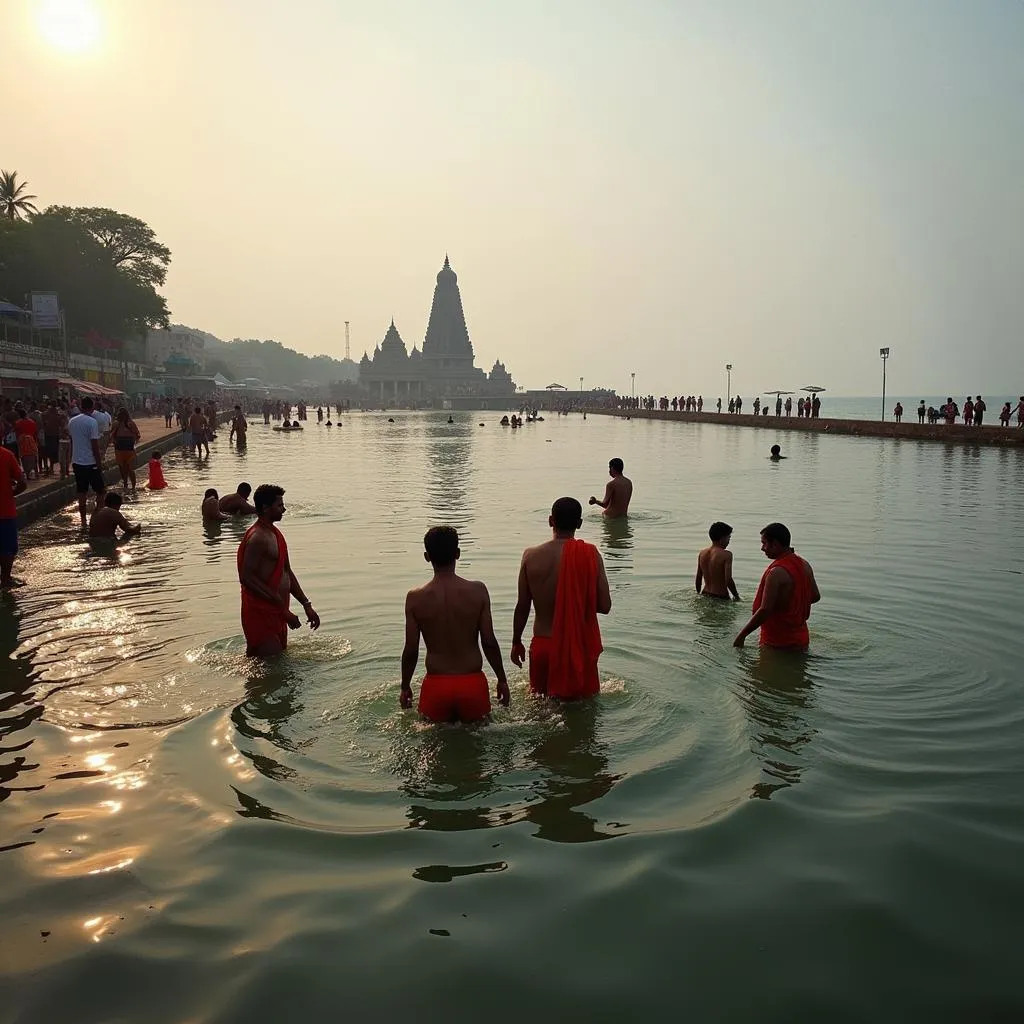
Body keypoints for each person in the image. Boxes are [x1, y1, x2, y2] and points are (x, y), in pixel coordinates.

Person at [399, 526, 510, 722]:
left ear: (427, 556)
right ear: (457, 554)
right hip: (472, 684)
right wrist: (501, 678)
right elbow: (489, 641)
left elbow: (410, 650)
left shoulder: (415, 598)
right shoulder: (478, 591)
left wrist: (405, 685)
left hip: (436, 687)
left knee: (431, 747)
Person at [511, 497, 611, 699]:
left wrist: (516, 642)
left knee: (540, 710)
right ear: (580, 524)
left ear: (550, 521)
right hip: (578, 648)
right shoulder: (590, 554)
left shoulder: (530, 556)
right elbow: (604, 605)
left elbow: (522, 606)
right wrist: (575, 598)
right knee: (583, 714)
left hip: (543, 646)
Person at [236, 484, 320, 657]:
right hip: (261, 613)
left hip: (278, 612)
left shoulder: (275, 534)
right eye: (280, 506)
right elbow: (247, 577)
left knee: (273, 666)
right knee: (271, 669)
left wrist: (306, 605)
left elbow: (286, 572)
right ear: (266, 508)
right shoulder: (257, 537)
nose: (284, 509)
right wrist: (282, 610)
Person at [734, 523, 820, 650]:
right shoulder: (804, 564)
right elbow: (815, 596)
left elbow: (765, 610)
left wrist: (741, 636)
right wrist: (791, 604)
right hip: (801, 638)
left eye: (764, 543)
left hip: (776, 642)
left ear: (774, 544)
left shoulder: (776, 572)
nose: (762, 548)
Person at [68, 397, 106, 528]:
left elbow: (72, 441)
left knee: (81, 492)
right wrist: (99, 463)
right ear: (92, 407)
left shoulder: (72, 421)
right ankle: (97, 516)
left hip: (77, 462)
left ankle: (83, 521)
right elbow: (95, 445)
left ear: (81, 406)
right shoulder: (92, 422)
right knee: (101, 491)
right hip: (90, 462)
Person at [0, 443, 27, 589]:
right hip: (4, 510)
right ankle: (5, 579)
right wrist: (12, 493)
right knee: (8, 548)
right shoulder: (6, 455)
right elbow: (22, 483)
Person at [696, 521, 740, 600]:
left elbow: (698, 576)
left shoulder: (702, 553)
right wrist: (736, 596)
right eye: (728, 538)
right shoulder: (727, 555)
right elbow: (728, 579)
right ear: (722, 538)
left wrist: (698, 594)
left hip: (705, 594)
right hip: (721, 596)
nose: (729, 542)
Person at [111, 407, 141, 491]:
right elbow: (112, 436)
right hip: (122, 449)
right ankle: (126, 484)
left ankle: (132, 486)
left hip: (126, 449)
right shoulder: (116, 424)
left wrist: (134, 442)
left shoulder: (130, 424)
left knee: (128, 468)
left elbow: (137, 435)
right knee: (124, 468)